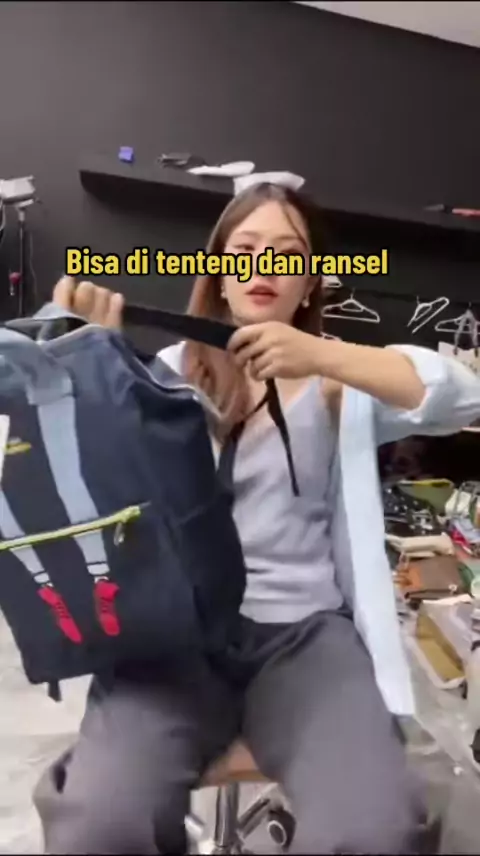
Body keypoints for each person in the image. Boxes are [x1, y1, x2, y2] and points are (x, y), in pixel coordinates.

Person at [33, 181, 480, 854]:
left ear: (311, 280)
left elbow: (462, 398)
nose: (263, 267)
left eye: (286, 254)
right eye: (244, 251)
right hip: (176, 640)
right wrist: (83, 356)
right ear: (218, 270)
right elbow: (72, 473)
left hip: (305, 639)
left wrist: (320, 354)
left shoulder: (340, 383)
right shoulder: (163, 374)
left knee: (374, 828)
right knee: (98, 821)